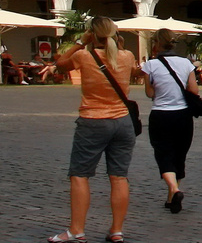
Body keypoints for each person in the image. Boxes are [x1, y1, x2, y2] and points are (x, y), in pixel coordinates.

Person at [47, 15, 137, 243]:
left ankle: (77, 230)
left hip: (93, 120)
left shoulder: (84, 56)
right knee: (119, 177)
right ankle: (116, 231)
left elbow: (59, 64)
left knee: (79, 175)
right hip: (123, 122)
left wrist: (80, 41)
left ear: (92, 34)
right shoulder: (127, 56)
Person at [142, 28, 199, 212]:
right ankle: (170, 198)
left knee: (164, 154)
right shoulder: (186, 63)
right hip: (183, 115)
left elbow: (150, 93)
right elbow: (194, 91)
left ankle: (174, 190)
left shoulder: (150, 65)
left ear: (156, 44)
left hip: (161, 114)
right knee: (179, 155)